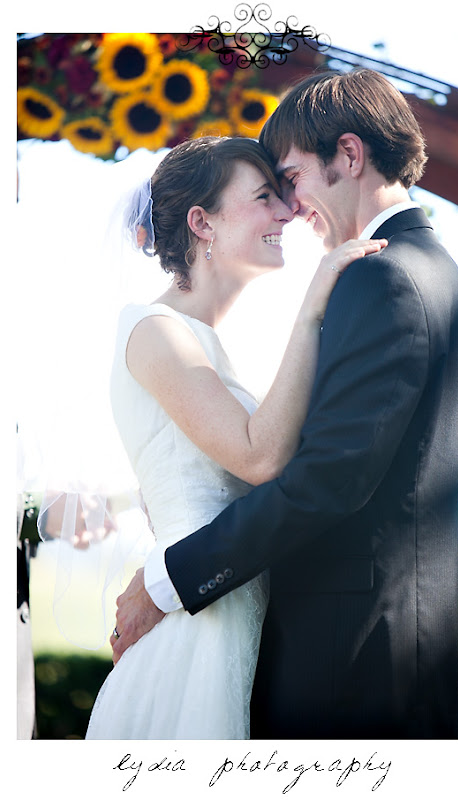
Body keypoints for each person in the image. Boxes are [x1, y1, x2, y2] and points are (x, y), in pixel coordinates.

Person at [111, 69, 458, 740]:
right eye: (269, 193)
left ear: (347, 155)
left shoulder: (381, 278)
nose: (289, 207)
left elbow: (323, 480)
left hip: (347, 667)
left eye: (288, 179)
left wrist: (167, 580)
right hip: (386, 656)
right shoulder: (432, 274)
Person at [85, 135, 386, 739]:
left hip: (239, 619)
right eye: (264, 198)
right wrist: (312, 309)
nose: (287, 213)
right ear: (203, 223)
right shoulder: (151, 330)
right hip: (195, 629)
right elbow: (259, 455)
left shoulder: (212, 347)